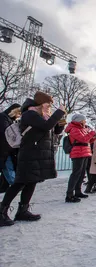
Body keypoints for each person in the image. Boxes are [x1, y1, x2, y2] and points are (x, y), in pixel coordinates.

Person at [0, 92, 65, 227]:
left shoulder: (43, 116)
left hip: (37, 154)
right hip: (29, 153)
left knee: (31, 182)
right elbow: (46, 126)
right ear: (40, 103)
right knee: (20, 182)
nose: (49, 107)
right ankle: (2, 211)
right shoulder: (30, 114)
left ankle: (22, 210)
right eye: (48, 104)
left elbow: (55, 131)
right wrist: (58, 113)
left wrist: (61, 122)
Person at [64, 114, 96, 203]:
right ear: (79, 121)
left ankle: (78, 191)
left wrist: (94, 137)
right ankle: (69, 195)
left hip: (84, 152)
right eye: (84, 120)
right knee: (76, 174)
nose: (85, 122)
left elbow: (88, 140)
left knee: (81, 174)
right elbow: (83, 139)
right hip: (77, 153)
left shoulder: (82, 129)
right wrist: (92, 133)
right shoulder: (74, 129)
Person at [0, 104, 21, 189]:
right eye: (18, 114)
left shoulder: (7, 119)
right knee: (8, 168)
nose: (18, 116)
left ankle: (7, 186)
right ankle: (15, 186)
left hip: (6, 149)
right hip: (4, 149)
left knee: (7, 168)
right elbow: (5, 133)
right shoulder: (3, 118)